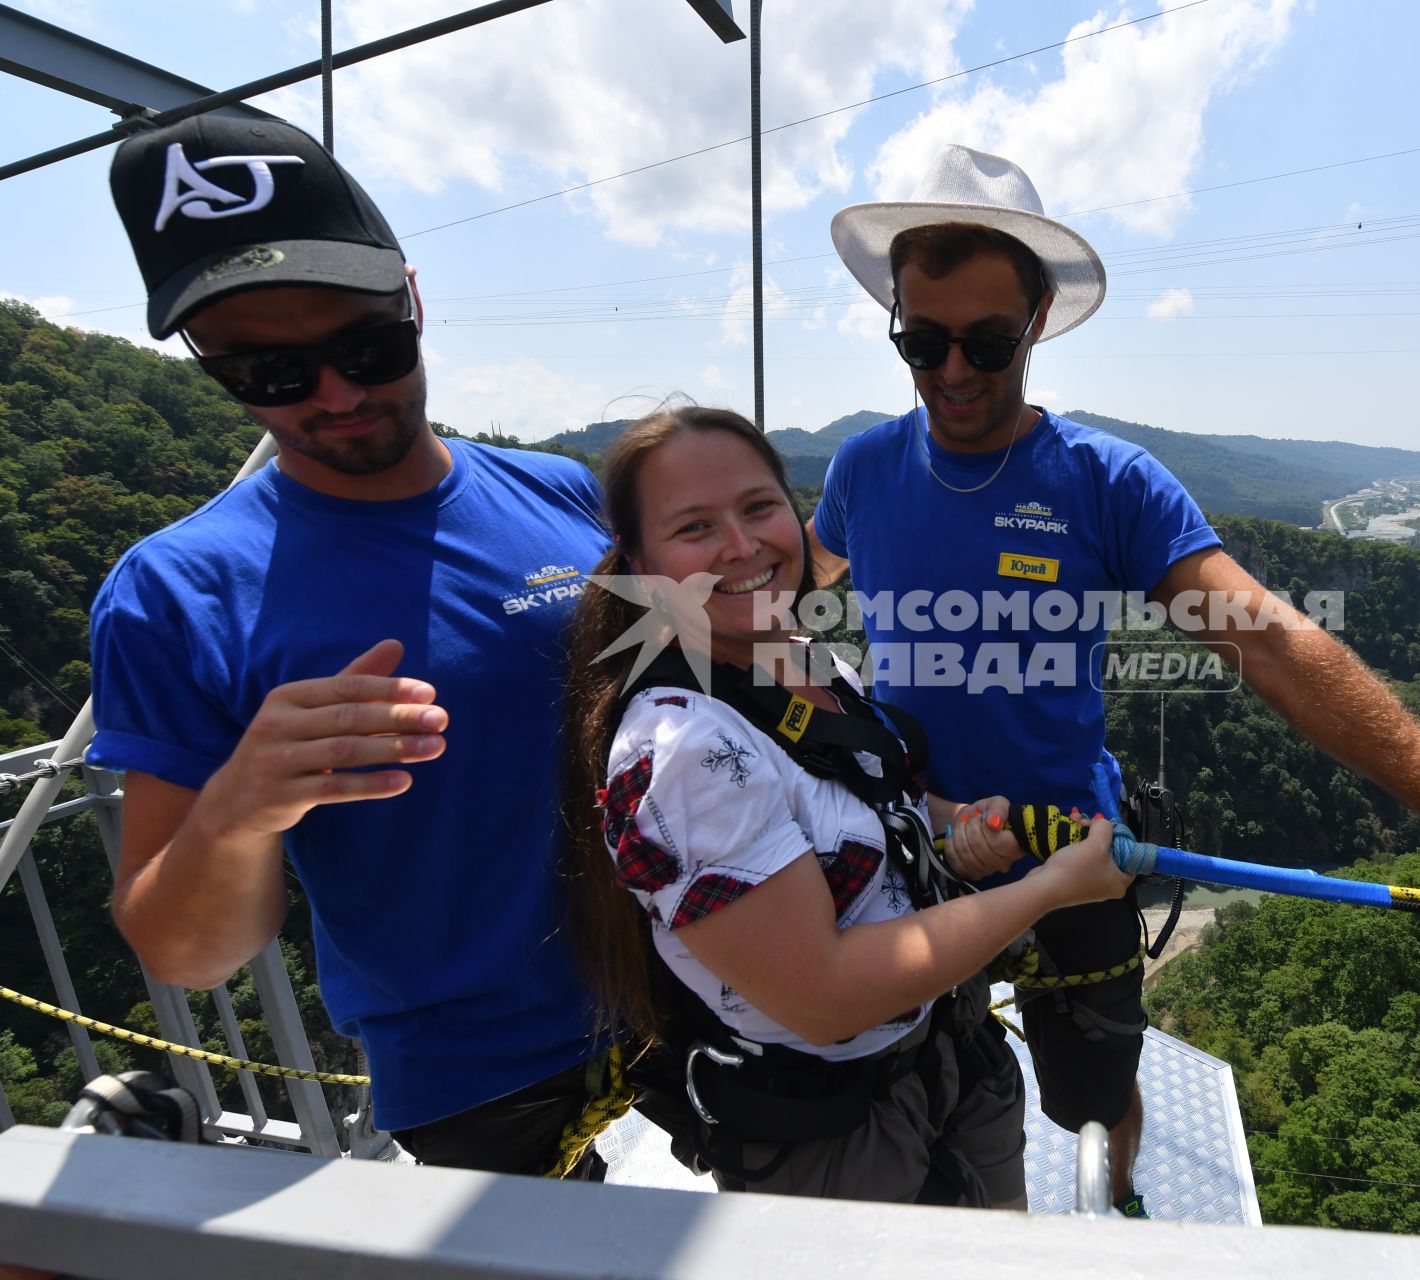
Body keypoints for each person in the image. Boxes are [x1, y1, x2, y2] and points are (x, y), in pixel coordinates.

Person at [810, 144, 1420, 1216]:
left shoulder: (1105, 483)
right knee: (915, 1079)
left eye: (985, 341)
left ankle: (1116, 1202)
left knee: (1091, 1091)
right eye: (922, 338)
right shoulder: (861, 471)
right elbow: (776, 608)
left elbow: (1270, 640)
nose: (951, 370)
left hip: (1073, 855)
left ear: (1036, 321)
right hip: (920, 846)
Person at [89, 114, 611, 1176]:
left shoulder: (567, 494)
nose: (336, 395)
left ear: (414, 301)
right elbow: (185, 950)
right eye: (268, 373)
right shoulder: (174, 594)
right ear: (210, 364)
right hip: (489, 1079)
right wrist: (239, 808)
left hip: (716, 986)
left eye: (370, 347)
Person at [558, 404, 1133, 1205]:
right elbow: (824, 998)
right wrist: (1047, 889)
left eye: (759, 507)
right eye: (695, 527)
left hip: (945, 1056)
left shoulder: (803, 661)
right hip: (834, 1136)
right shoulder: (686, 753)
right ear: (644, 564)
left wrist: (958, 825)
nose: (741, 545)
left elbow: (873, 799)